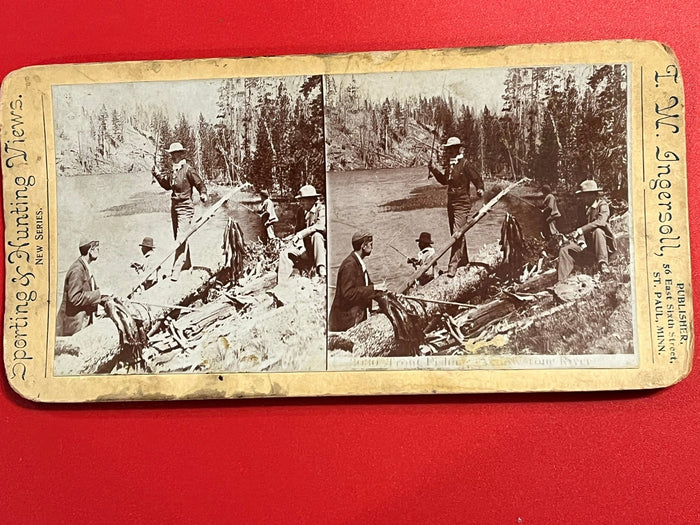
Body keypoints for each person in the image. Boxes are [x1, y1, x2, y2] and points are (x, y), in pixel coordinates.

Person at [428, 136, 484, 277]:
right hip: (451, 203)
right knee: (458, 233)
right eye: (448, 149)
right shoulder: (450, 165)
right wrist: (434, 170)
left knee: (457, 234)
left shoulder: (465, 164)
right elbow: (444, 181)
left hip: (462, 203)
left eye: (453, 148)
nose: (450, 151)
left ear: (459, 149)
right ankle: (463, 261)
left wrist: (480, 188)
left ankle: (452, 266)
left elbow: (476, 178)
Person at [152, 142, 208, 281]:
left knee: (180, 238)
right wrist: (157, 174)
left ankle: (176, 270)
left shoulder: (188, 170)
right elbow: (167, 186)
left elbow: (200, 183)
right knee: (179, 236)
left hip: (186, 207)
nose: (172, 157)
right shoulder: (173, 171)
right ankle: (187, 265)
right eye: (171, 154)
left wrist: (203, 194)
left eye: (175, 154)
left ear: (181, 154)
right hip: (174, 206)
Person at [557, 179, 616, 282]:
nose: (583, 198)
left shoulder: (602, 205)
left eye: (585, 195)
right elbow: (580, 226)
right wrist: (581, 242)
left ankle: (603, 264)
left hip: (603, 245)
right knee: (565, 250)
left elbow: (601, 222)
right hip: (589, 247)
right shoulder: (582, 208)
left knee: (598, 231)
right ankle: (561, 281)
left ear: (593, 195)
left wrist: (581, 230)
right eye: (582, 195)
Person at [329, 232, 386, 331]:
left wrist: (382, 294)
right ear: (363, 246)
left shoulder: (357, 262)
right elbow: (348, 293)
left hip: (354, 315)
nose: (372, 248)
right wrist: (374, 288)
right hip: (345, 321)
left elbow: (367, 286)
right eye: (371, 244)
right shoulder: (349, 265)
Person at [56, 239, 107, 336]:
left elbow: (91, 293)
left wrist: (105, 297)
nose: (98, 252)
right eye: (97, 249)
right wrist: (98, 294)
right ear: (90, 250)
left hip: (81, 324)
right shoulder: (77, 270)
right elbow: (75, 298)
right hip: (73, 327)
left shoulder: (85, 267)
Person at [277, 184, 326, 282]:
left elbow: (320, 226)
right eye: (300, 200)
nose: (301, 203)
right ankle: (282, 281)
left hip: (319, 248)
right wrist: (300, 247)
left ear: (312, 200)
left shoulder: (321, 209)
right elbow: (297, 230)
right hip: (305, 248)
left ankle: (321, 269)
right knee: (284, 254)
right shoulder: (300, 211)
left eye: (303, 200)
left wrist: (300, 235)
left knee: (316, 235)